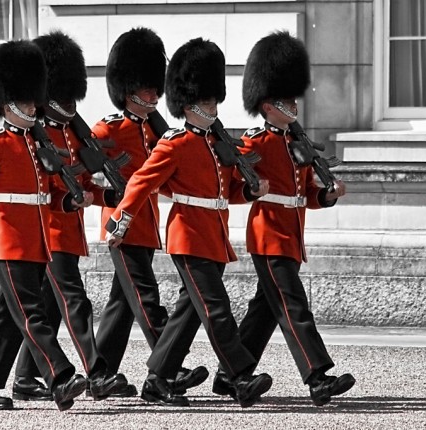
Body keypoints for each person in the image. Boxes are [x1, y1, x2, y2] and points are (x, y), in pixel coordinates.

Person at [105, 37, 272, 408]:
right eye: (206, 101)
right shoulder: (174, 143)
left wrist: (251, 192)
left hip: (213, 234)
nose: (213, 107)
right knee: (216, 308)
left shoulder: (214, 145)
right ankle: (240, 376)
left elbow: (224, 193)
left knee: (191, 312)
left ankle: (158, 379)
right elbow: (141, 181)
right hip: (188, 235)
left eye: (214, 101)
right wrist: (122, 220)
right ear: (188, 103)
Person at [211, 31, 356, 407]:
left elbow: (305, 195)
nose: (293, 104)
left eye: (293, 98)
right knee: (293, 305)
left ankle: (229, 376)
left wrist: (328, 194)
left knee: (265, 310)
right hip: (268, 235)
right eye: (285, 99)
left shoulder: (297, 145)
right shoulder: (253, 142)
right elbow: (230, 187)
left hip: (291, 235)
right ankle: (317, 376)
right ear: (267, 103)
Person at [0, 40, 86, 412]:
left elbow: (50, 193)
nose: (31, 106)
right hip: (9, 241)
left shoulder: (37, 143)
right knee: (31, 313)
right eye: (24, 102)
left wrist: (69, 200)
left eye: (32, 100)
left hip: (37, 240)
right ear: (7, 103)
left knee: (8, 316)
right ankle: (60, 375)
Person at [10, 31, 130, 403]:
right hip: (47, 230)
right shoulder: (36, 133)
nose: (69, 101)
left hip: (67, 228)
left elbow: (80, 186)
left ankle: (26, 379)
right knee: (75, 300)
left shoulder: (71, 130)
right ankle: (97, 372)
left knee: (47, 305)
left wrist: (107, 194)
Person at [92, 27, 207, 397]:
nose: (155, 94)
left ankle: (101, 374)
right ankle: (168, 368)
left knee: (121, 304)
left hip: (147, 225)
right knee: (146, 296)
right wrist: (101, 194)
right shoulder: (106, 131)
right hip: (121, 228)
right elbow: (80, 168)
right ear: (128, 91)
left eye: (156, 86)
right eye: (147, 88)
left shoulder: (156, 131)